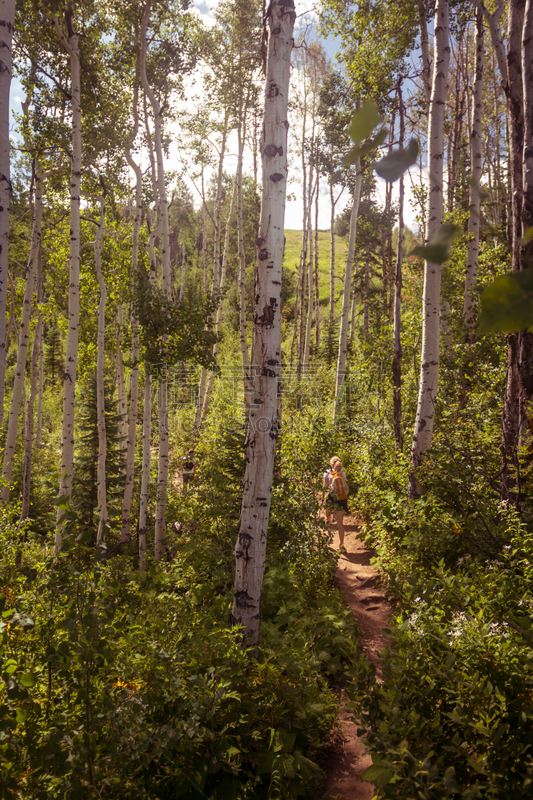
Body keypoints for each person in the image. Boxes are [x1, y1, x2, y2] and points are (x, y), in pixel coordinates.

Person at [322, 456, 349, 553]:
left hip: (331, 498)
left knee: (328, 517)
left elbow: (324, 487)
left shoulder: (327, 472)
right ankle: (341, 545)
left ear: (331, 464)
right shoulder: (343, 473)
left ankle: (329, 536)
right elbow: (345, 486)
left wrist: (322, 499)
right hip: (342, 499)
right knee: (340, 523)